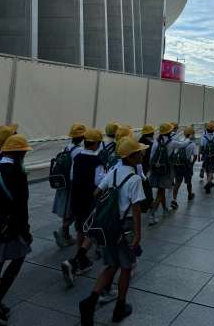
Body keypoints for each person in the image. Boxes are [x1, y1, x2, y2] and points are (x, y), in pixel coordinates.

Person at [79, 136, 148, 325]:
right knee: (126, 267)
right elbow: (136, 209)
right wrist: (138, 235)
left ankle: (90, 302)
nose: (142, 155)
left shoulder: (114, 171)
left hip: (109, 226)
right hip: (125, 228)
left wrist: (110, 205)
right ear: (131, 157)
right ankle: (120, 307)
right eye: (139, 153)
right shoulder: (135, 179)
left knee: (111, 265)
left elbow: (96, 192)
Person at [0, 134, 33, 324]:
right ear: (19, 154)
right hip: (10, 227)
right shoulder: (17, 174)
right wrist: (25, 231)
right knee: (18, 258)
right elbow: (21, 207)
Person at [61, 129, 105, 287]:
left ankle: (81, 260)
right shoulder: (97, 161)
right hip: (89, 200)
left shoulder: (77, 157)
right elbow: (99, 182)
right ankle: (75, 261)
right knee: (92, 230)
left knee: (80, 228)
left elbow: (72, 177)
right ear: (96, 144)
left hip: (76, 198)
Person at [52, 123, 86, 248]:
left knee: (67, 210)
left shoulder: (67, 148)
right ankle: (63, 231)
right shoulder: (79, 151)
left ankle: (66, 236)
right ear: (82, 137)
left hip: (63, 183)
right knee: (75, 210)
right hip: (72, 184)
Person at [148, 123, 190, 225]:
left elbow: (151, 157)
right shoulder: (172, 143)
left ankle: (165, 209)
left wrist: (152, 168)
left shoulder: (156, 141)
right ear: (169, 132)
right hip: (166, 169)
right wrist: (189, 138)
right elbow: (183, 144)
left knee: (161, 190)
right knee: (160, 192)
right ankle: (152, 214)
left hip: (156, 169)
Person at [171, 126, 197, 208]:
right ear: (192, 134)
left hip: (177, 165)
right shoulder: (192, 144)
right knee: (189, 181)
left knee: (177, 183)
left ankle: (174, 200)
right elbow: (195, 156)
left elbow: (175, 152)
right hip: (186, 165)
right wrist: (192, 164)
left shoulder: (180, 141)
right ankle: (190, 194)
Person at [200, 122, 214, 193]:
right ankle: (208, 183)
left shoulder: (203, 136)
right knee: (211, 170)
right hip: (213, 155)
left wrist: (201, 154)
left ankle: (209, 181)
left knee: (207, 168)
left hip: (206, 155)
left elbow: (202, 146)